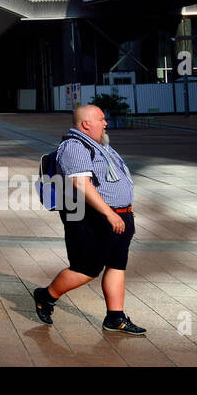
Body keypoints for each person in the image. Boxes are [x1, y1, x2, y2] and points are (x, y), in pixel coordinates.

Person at [32, 104, 146, 335]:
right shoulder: (74, 147)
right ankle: (45, 296)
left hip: (119, 216)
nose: (106, 123)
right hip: (90, 218)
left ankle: (115, 318)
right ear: (86, 124)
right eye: (102, 119)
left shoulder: (101, 146)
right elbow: (81, 184)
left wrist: (121, 212)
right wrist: (108, 213)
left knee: (116, 264)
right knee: (86, 269)